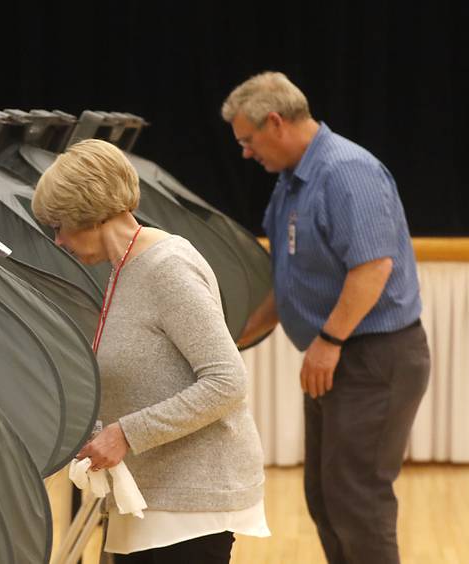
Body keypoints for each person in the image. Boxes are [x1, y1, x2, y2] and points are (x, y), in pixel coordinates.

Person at [222, 71, 430, 564]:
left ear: (275, 122)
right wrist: (228, 341)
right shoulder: (292, 183)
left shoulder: (346, 171)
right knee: (324, 496)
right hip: (337, 358)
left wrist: (329, 341)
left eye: (249, 140)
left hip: (372, 359)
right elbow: (287, 284)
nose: (247, 153)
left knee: (357, 500)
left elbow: (373, 267)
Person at [32, 139, 269, 563]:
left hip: (191, 502)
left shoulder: (167, 267)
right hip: (152, 494)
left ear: (90, 211)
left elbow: (227, 381)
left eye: (61, 225)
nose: (60, 240)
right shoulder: (124, 266)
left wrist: (125, 434)